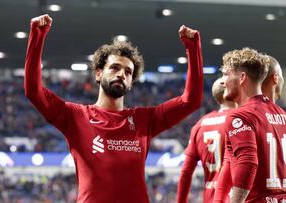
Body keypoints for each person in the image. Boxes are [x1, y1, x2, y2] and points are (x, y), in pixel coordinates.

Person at [24, 14, 204, 202]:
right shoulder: (75, 116)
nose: (121, 74)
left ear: (131, 82)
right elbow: (33, 91)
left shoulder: (145, 120)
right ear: (99, 73)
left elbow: (191, 100)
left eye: (128, 72)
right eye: (115, 68)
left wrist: (193, 48)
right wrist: (37, 34)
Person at [213, 47, 286, 202]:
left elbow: (247, 163)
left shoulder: (240, 115)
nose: (223, 81)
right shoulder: (283, 115)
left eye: (226, 74)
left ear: (242, 77)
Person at [176, 78, 236, 203]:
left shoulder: (200, 125)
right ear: (234, 91)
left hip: (210, 198)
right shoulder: (242, 120)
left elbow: (186, 172)